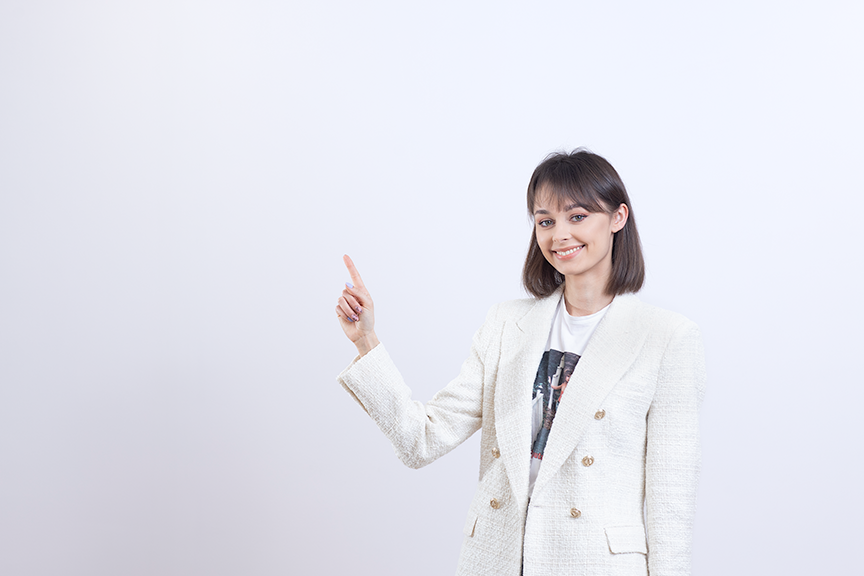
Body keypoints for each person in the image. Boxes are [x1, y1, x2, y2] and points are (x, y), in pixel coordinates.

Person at [334, 149, 706, 576]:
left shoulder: (666, 337)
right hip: (496, 561)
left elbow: (670, 499)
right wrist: (366, 341)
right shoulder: (505, 324)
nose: (559, 234)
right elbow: (422, 440)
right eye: (545, 220)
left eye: (578, 216)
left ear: (618, 217)